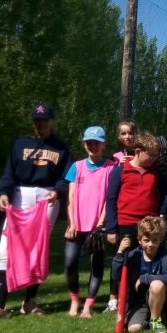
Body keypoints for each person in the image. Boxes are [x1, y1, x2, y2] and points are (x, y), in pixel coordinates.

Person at [0, 104, 70, 323]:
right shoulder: (20, 144)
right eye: (37, 120)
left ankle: (30, 301)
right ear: (33, 122)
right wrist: (3, 192)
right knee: (6, 247)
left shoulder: (61, 148)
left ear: (52, 121)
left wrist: (57, 191)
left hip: (46, 198)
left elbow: (66, 177)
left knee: (37, 248)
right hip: (20, 195)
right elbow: (9, 172)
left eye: (45, 120)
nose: (41, 123)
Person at [103, 132, 167, 313]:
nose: (154, 159)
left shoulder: (156, 172)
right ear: (138, 151)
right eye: (151, 155)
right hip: (125, 225)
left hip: (149, 226)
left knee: (151, 262)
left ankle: (154, 302)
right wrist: (111, 229)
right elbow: (110, 199)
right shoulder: (120, 170)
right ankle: (123, 302)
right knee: (125, 263)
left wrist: (162, 214)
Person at [63, 126, 115, 318]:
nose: (93, 146)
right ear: (85, 145)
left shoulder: (110, 168)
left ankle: (88, 305)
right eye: (89, 143)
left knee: (96, 266)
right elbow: (70, 197)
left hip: (97, 227)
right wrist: (71, 223)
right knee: (69, 263)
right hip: (76, 226)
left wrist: (100, 225)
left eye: (97, 143)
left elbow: (109, 200)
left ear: (103, 145)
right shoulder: (76, 167)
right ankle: (75, 300)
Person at [116, 216, 167, 333]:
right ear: (139, 240)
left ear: (160, 239)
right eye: (146, 240)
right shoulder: (133, 255)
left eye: (155, 240)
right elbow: (116, 276)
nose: (150, 244)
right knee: (134, 329)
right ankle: (145, 318)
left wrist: (144, 278)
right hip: (139, 303)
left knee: (157, 285)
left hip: (160, 299)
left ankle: (155, 320)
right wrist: (119, 253)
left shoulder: (166, 255)